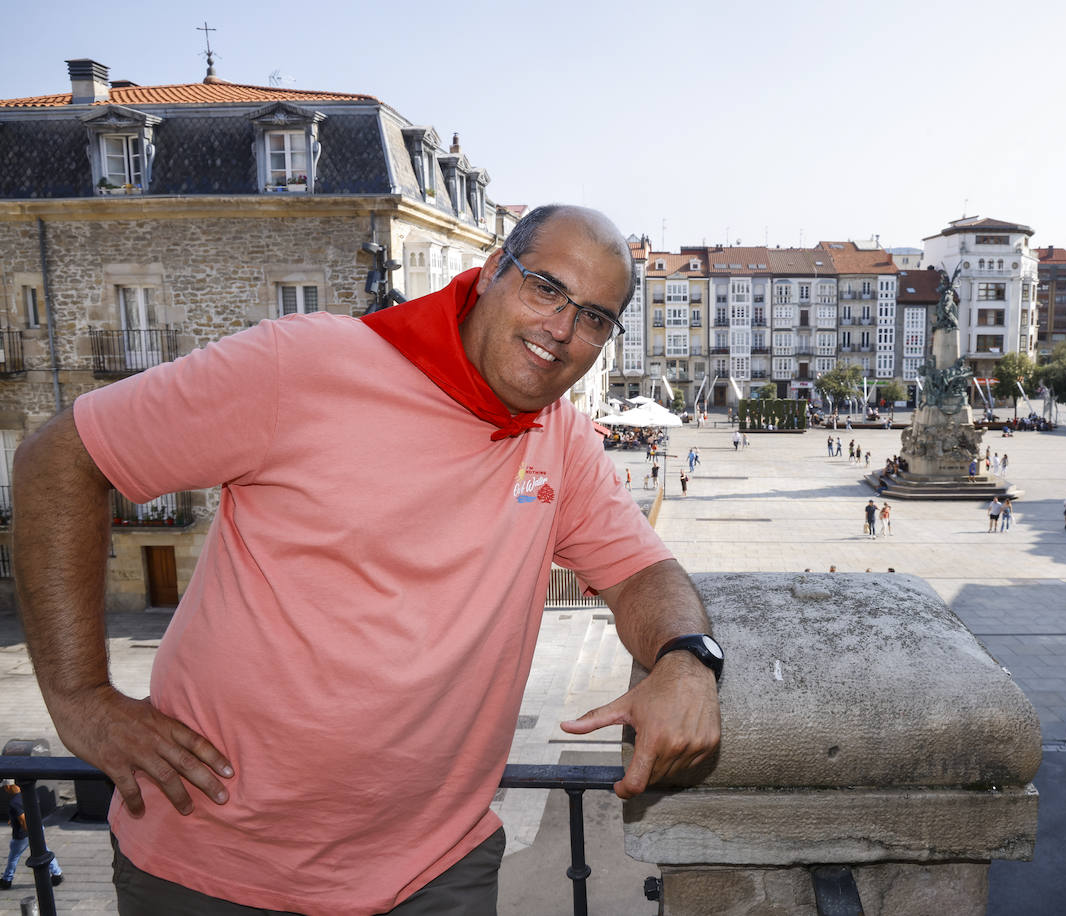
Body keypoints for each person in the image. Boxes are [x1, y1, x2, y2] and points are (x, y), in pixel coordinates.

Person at [11, 205, 721, 915]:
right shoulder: (303, 364)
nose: (562, 329)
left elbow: (643, 574)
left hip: (433, 874)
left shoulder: (561, 441)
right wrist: (82, 700)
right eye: (546, 288)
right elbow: (59, 459)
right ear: (493, 271)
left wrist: (686, 659)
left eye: (594, 317)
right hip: (210, 862)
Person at [3, 779, 63, 891]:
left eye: (5, 787)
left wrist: (31, 834)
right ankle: (57, 874)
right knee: (44, 850)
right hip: (38, 827)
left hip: (23, 835)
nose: (5, 790)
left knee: (13, 857)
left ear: (10, 786)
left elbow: (23, 820)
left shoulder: (14, 802)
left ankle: (7, 879)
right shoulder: (30, 793)